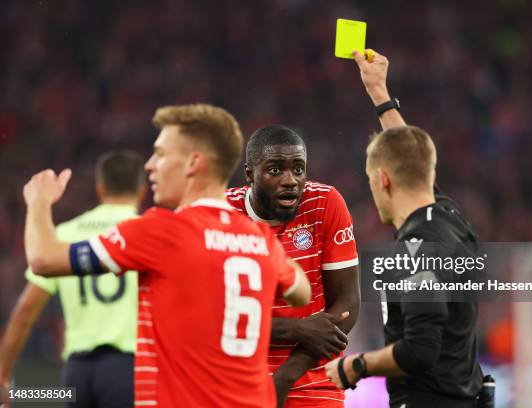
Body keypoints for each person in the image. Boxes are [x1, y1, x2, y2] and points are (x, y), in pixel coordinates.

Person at [21, 103, 311, 407]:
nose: (149, 165)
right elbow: (301, 293)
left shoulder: (161, 231)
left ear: (192, 163)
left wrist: (39, 203)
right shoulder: (262, 241)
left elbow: (43, 259)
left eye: (159, 153)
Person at [325, 50, 483, 407]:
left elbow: (419, 350)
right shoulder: (450, 217)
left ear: (383, 180)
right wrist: (379, 94)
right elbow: (409, 154)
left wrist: (355, 366)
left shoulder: (418, 246)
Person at [226, 125, 360, 407]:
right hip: (236, 380)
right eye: (275, 170)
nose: (290, 180)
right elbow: (211, 317)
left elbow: (347, 303)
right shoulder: (221, 215)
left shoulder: (325, 203)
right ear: (250, 174)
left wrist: (285, 376)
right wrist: (296, 329)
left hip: (312, 381)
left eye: (298, 169)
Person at [0, 149, 146, 408]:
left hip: (78, 372)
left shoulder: (64, 234)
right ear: (142, 190)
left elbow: (25, 310)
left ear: (100, 189)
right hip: (130, 368)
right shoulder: (149, 233)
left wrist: (2, 377)